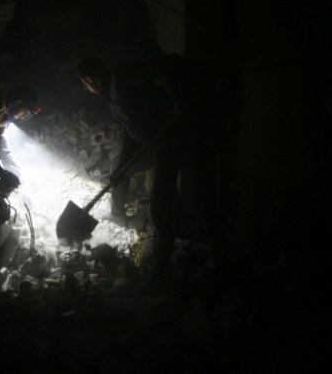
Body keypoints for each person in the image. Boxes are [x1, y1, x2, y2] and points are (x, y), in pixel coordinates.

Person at [77, 49, 230, 281]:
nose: (88, 90)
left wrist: (179, 99)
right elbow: (130, 134)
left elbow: (161, 67)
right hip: (160, 145)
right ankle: (183, 237)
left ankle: (167, 264)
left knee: (179, 198)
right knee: (166, 197)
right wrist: (122, 167)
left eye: (85, 85)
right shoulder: (113, 101)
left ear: (90, 80)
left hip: (183, 133)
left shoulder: (121, 77)